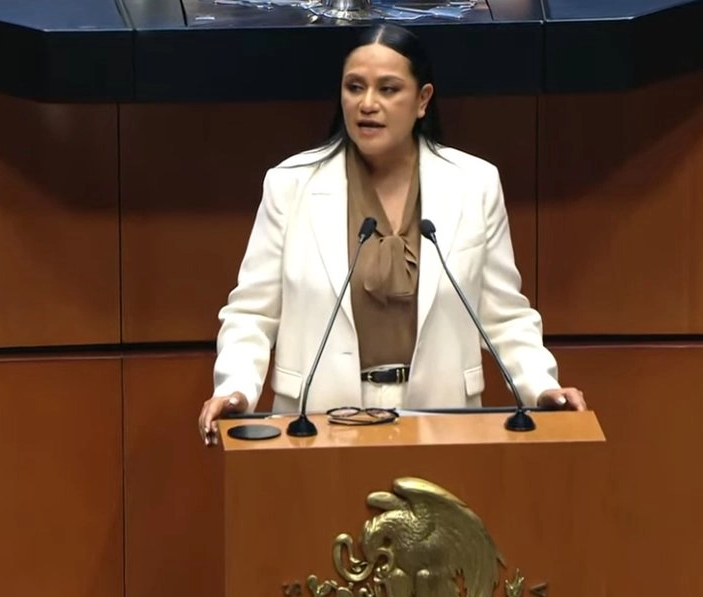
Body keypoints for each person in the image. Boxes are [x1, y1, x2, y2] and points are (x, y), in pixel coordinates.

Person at [198, 22, 585, 444]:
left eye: (388, 89)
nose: (367, 104)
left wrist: (542, 387)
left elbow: (504, 315)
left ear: (422, 101)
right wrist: (235, 387)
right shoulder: (291, 185)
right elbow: (252, 313)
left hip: (442, 422)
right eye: (354, 87)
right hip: (317, 425)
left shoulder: (473, 184)